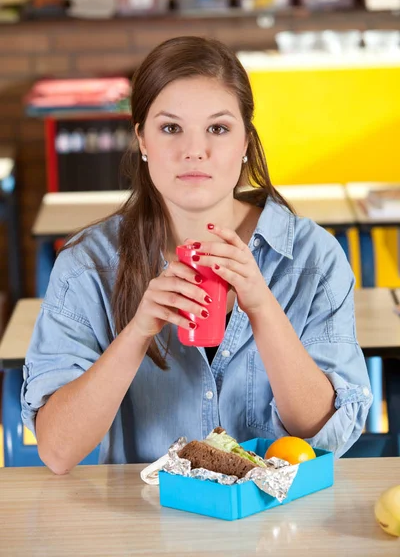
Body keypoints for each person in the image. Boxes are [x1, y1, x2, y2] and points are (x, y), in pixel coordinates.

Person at [21, 36, 372, 475]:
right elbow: (57, 451)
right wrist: (137, 333)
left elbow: (328, 436)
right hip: (148, 528)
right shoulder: (86, 265)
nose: (194, 150)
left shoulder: (313, 258)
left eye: (218, 128)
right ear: (142, 139)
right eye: (171, 128)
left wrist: (262, 307)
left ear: (245, 139)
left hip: (278, 529)